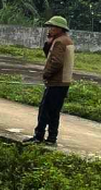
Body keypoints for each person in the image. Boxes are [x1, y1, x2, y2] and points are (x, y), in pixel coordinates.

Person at [24, 16, 75, 146]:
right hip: (64, 82)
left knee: (44, 110)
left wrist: (47, 74)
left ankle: (38, 136)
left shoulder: (59, 42)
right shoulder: (67, 41)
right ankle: (52, 137)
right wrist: (48, 42)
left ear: (59, 29)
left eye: (52, 27)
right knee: (54, 111)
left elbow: (56, 62)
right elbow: (49, 54)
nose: (50, 29)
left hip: (56, 82)